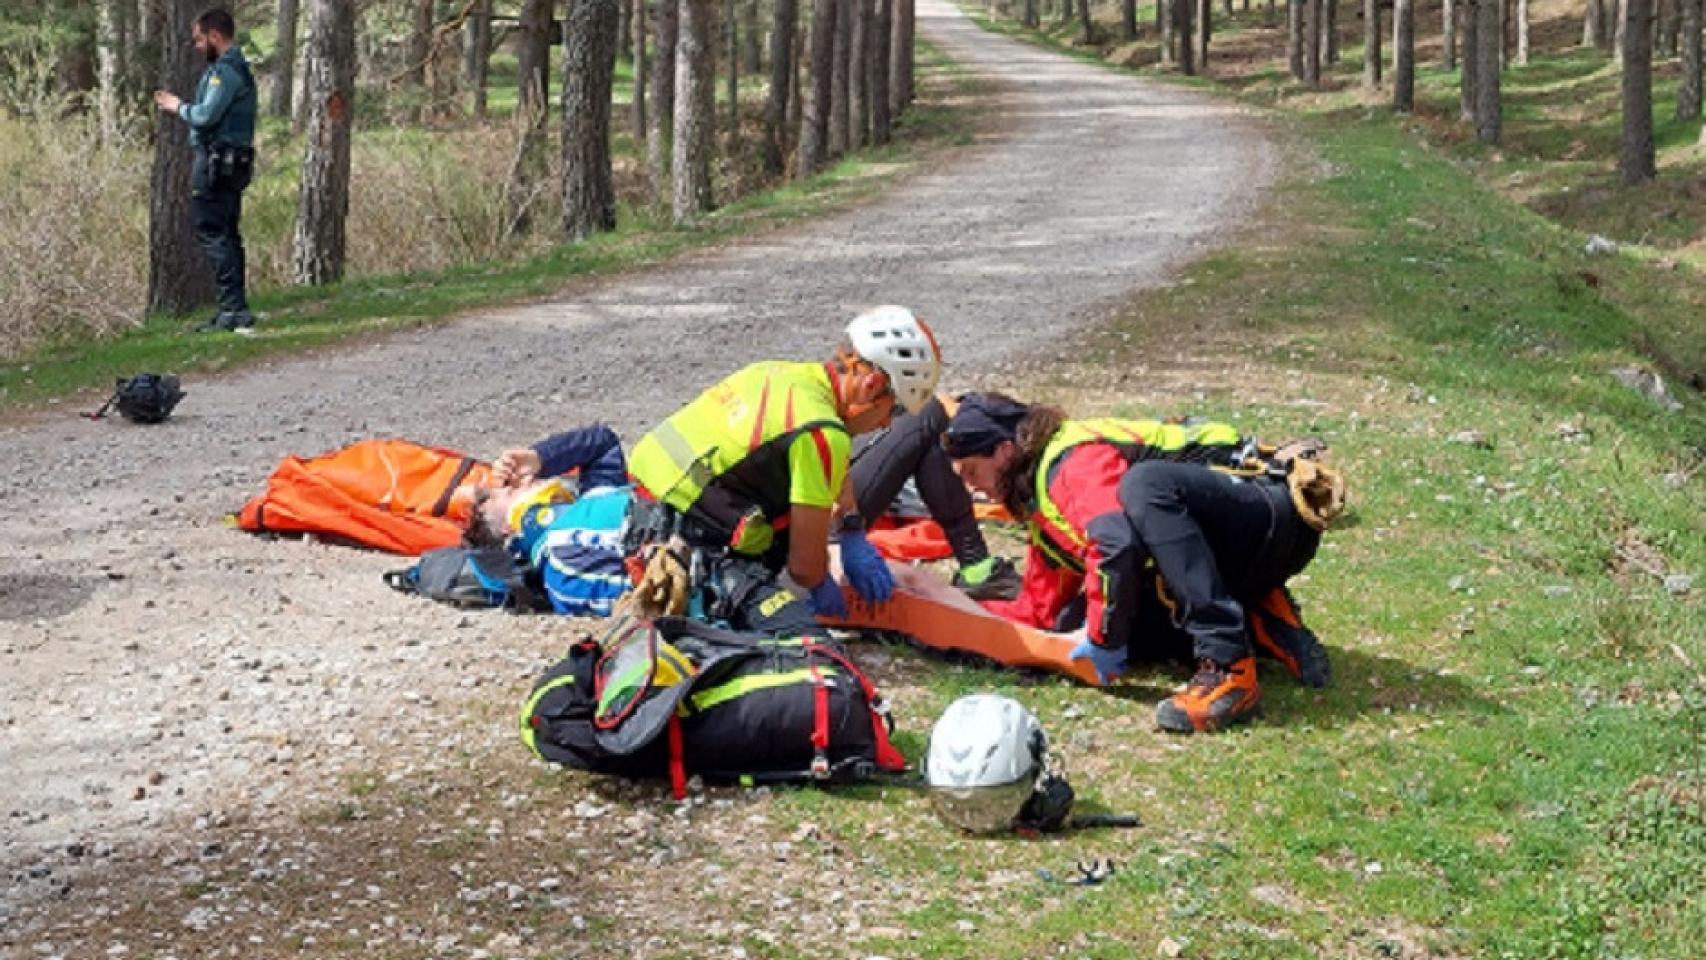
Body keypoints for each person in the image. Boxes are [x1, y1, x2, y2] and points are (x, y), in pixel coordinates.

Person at [943, 395, 1337, 734]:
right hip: (1237, 550)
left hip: (1271, 510)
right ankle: (1255, 614)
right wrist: (958, 621)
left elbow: (1115, 545)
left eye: (972, 471)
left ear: (1004, 451)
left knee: (1144, 487)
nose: (970, 487)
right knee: (1073, 622)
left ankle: (1229, 669)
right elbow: (1036, 610)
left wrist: (1104, 639)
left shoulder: (1072, 462)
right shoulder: (1042, 510)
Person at [620, 306, 943, 638]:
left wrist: (851, 529)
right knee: (803, 643)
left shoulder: (781, 375)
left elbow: (832, 468)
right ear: (873, 385)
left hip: (643, 516)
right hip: (684, 547)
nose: (889, 422)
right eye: (897, 408)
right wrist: (819, 583)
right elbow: (804, 567)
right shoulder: (820, 432)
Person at [845, 395, 1022, 601]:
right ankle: (976, 563)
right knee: (926, 412)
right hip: (813, 527)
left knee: (920, 411)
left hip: (814, 515)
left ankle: (977, 566)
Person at [153, 7, 257, 333]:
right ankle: (236, 307)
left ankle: (231, 309)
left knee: (213, 232)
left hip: (216, 163)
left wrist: (177, 106)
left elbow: (206, 116)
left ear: (215, 36)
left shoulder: (223, 73)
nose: (197, 47)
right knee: (228, 233)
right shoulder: (238, 68)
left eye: (199, 40)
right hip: (232, 162)